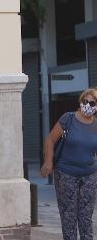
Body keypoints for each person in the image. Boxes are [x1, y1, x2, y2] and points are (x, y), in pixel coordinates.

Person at [41, 88, 97, 240]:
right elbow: (50, 140)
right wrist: (48, 162)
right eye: (86, 102)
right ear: (80, 102)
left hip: (89, 176)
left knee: (86, 218)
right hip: (66, 174)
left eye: (92, 103)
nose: (88, 105)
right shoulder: (69, 118)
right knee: (68, 216)